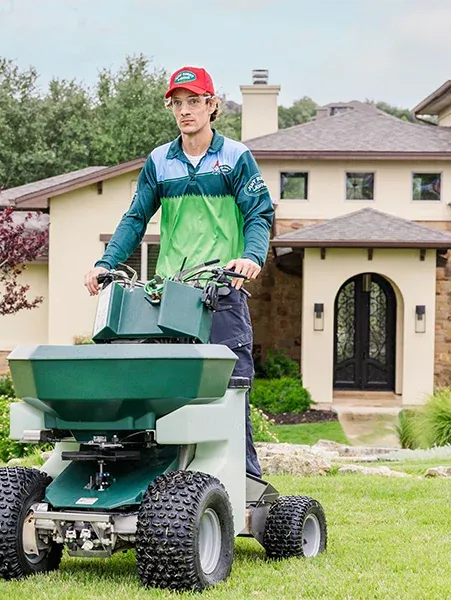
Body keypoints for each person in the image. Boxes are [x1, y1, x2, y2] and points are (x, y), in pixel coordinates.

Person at [83, 65, 275, 478]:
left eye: (194, 101)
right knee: (163, 392)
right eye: (178, 103)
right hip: (169, 297)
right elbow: (136, 218)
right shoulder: (159, 162)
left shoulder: (235, 158)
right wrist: (106, 263)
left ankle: (245, 485)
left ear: (211, 105)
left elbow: (259, 213)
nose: (185, 110)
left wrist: (251, 258)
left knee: (231, 390)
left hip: (221, 292)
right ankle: (163, 482)